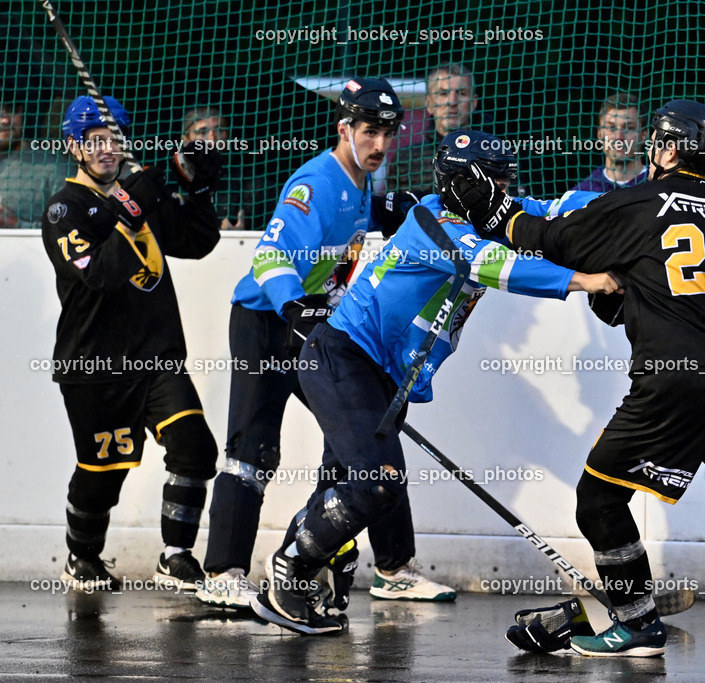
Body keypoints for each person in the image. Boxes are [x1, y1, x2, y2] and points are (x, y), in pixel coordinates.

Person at [441, 100, 705, 660]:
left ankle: (637, 623)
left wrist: (492, 210)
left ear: (669, 148)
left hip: (673, 381)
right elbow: (664, 283)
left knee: (598, 497)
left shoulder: (637, 201)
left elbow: (547, 239)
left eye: (658, 143)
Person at [248, 129, 621, 634]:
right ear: (465, 183)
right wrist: (582, 281)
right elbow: (485, 264)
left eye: (508, 183)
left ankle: (307, 571)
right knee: (377, 484)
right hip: (343, 358)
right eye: (497, 183)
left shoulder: (488, 218)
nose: (507, 194)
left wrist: (635, 204)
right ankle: (290, 571)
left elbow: (556, 208)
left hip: (383, 377)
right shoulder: (432, 221)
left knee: (344, 485)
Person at [196, 77, 451, 612]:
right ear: (344, 128)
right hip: (268, 322)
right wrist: (294, 306)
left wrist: (389, 211)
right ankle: (222, 574)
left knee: (369, 435)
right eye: (369, 132)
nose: (380, 144)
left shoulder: (362, 182)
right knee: (255, 448)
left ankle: (393, 570)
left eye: (388, 132)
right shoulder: (314, 183)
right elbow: (269, 257)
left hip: (316, 327)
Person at [41, 95, 223, 592]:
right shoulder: (64, 209)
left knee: (195, 449)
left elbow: (195, 242)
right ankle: (81, 557)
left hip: (159, 359)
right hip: (95, 367)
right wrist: (132, 208)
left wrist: (199, 186)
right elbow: (100, 274)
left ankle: (176, 556)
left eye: (115, 140)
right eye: (95, 141)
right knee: (104, 474)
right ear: (73, 147)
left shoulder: (134, 193)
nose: (107, 150)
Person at [383, 63, 494, 197]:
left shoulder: (494, 155)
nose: (452, 102)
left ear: (473, 103)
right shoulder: (406, 159)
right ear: (429, 103)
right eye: (443, 93)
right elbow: (391, 213)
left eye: (461, 93)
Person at [0, 98, 69, 228]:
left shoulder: (52, 166)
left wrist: (16, 224)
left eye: (11, 110)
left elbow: (71, 228)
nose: (5, 120)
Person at [569, 92, 647, 193]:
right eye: (611, 128)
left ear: (643, 135)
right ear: (600, 134)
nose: (619, 137)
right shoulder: (582, 193)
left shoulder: (659, 185)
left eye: (628, 128)